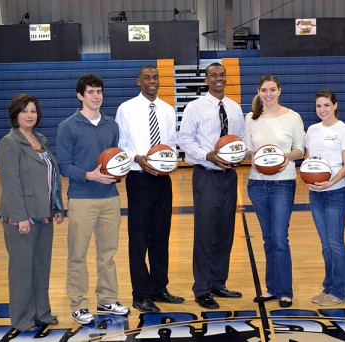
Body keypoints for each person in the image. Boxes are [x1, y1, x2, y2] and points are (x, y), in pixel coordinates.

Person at [56, 74, 130, 325]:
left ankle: (107, 299)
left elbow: (113, 160)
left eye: (99, 91)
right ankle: (78, 304)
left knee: (107, 253)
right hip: (81, 198)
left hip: (110, 197)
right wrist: (89, 175)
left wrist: (117, 172)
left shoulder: (111, 125)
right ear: (80, 95)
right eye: (90, 92)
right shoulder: (68, 126)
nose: (96, 96)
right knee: (77, 254)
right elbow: (63, 166)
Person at [115, 65, 184, 313]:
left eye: (155, 77)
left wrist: (171, 159)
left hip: (162, 179)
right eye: (147, 77)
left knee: (161, 236)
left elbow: (172, 143)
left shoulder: (167, 109)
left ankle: (159, 287)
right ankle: (140, 294)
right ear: (138, 81)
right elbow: (121, 144)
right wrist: (138, 158)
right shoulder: (126, 109)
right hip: (139, 177)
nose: (152, 81)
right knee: (139, 239)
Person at [178, 62, 244, 309]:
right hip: (206, 175)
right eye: (213, 75)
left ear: (226, 78)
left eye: (222, 75)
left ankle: (218, 282)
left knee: (225, 232)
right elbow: (184, 140)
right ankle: (202, 289)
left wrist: (238, 157)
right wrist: (207, 155)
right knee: (206, 233)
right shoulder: (194, 107)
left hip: (230, 176)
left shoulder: (235, 108)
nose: (219, 78)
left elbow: (239, 141)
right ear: (206, 79)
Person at [0, 94, 64, 333]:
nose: (29, 115)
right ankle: (22, 318)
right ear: (15, 114)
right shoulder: (9, 143)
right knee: (22, 269)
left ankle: (42, 312)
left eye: (33, 111)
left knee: (41, 266)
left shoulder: (40, 139)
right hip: (21, 218)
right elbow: (11, 183)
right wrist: (21, 217)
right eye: (24, 111)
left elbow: (51, 177)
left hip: (43, 214)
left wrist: (56, 206)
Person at [244, 75, 305, 308]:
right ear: (258, 92)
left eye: (272, 90)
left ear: (279, 91)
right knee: (268, 239)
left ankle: (285, 291)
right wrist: (255, 158)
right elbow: (247, 151)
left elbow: (300, 149)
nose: (268, 94)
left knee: (280, 238)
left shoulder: (292, 117)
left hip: (283, 182)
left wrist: (284, 157)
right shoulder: (250, 118)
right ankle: (271, 288)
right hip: (257, 183)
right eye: (263, 90)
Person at [306, 89, 345, 306]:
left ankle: (340, 292)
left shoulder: (344, 130)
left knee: (336, 243)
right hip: (315, 193)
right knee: (325, 244)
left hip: (336, 192)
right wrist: (307, 179)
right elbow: (309, 161)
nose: (322, 109)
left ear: (335, 105)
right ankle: (328, 288)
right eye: (319, 106)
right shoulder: (312, 130)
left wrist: (331, 182)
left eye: (326, 105)